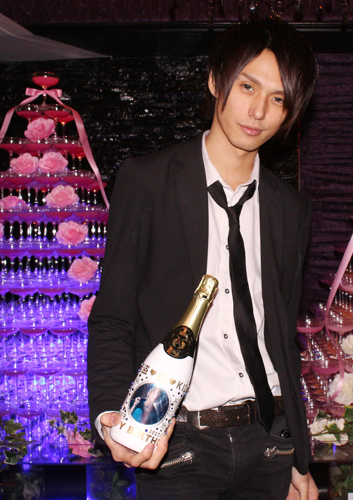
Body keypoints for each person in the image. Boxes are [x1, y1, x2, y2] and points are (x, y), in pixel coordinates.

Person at [87, 19, 319, 500]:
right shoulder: (148, 181)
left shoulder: (290, 209)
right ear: (216, 80)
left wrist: (298, 456)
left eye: (278, 99)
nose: (258, 111)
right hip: (176, 445)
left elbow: (282, 338)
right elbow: (113, 316)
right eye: (247, 87)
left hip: (269, 445)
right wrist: (111, 414)